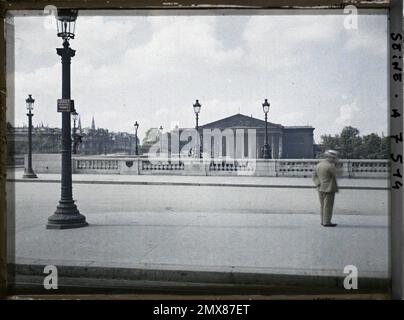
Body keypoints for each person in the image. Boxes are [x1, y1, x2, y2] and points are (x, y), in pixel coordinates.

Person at [312, 150, 339, 227]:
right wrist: (337, 164)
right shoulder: (330, 166)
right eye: (334, 158)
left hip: (320, 188)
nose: (334, 159)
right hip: (329, 188)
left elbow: (314, 177)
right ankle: (327, 222)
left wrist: (318, 184)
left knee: (322, 205)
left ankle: (322, 221)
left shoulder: (319, 165)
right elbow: (338, 173)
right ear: (330, 157)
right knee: (328, 206)